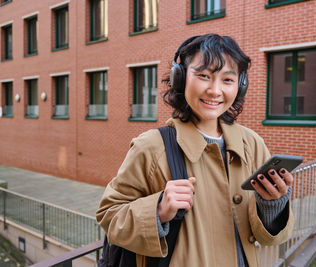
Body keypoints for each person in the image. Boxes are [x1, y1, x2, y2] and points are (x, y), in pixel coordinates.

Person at [96, 33, 294, 267]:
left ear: (240, 85)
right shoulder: (151, 146)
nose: (215, 90)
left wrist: (272, 203)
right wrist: (158, 210)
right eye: (203, 76)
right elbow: (109, 215)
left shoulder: (252, 144)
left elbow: (268, 237)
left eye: (227, 80)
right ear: (179, 78)